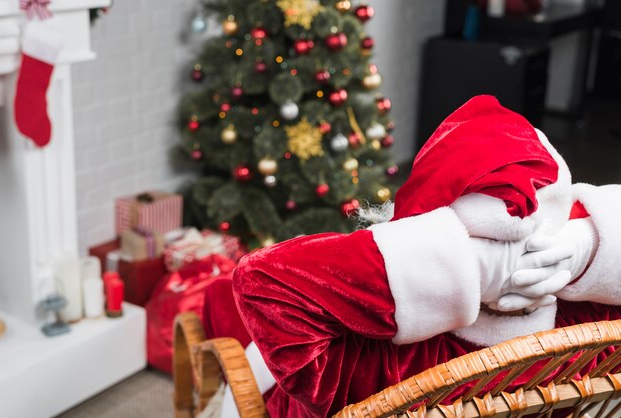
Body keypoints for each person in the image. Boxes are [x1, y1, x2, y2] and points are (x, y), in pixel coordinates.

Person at [213, 96, 621, 417]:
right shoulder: (587, 334)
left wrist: (470, 267)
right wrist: (592, 246)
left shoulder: (395, 365)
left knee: (216, 299)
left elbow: (262, 281)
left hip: (294, 388)